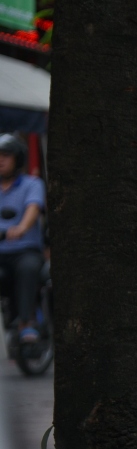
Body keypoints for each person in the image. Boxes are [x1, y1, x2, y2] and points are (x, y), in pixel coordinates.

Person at [0, 134, 45, 344]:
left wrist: (21, 228)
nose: (1, 159)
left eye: (6, 155)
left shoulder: (32, 183)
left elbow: (33, 208)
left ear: (17, 158)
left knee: (26, 269)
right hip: (2, 253)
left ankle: (27, 323)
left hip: (25, 251)